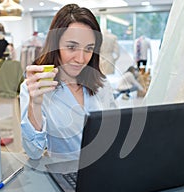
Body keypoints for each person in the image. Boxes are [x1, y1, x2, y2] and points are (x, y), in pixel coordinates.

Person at [20, 4, 117, 160]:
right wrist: (35, 104)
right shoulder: (34, 87)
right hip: (65, 175)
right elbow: (33, 152)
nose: (80, 59)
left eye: (88, 49)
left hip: (104, 169)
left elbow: (114, 132)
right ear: (55, 44)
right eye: (72, 47)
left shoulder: (102, 85)